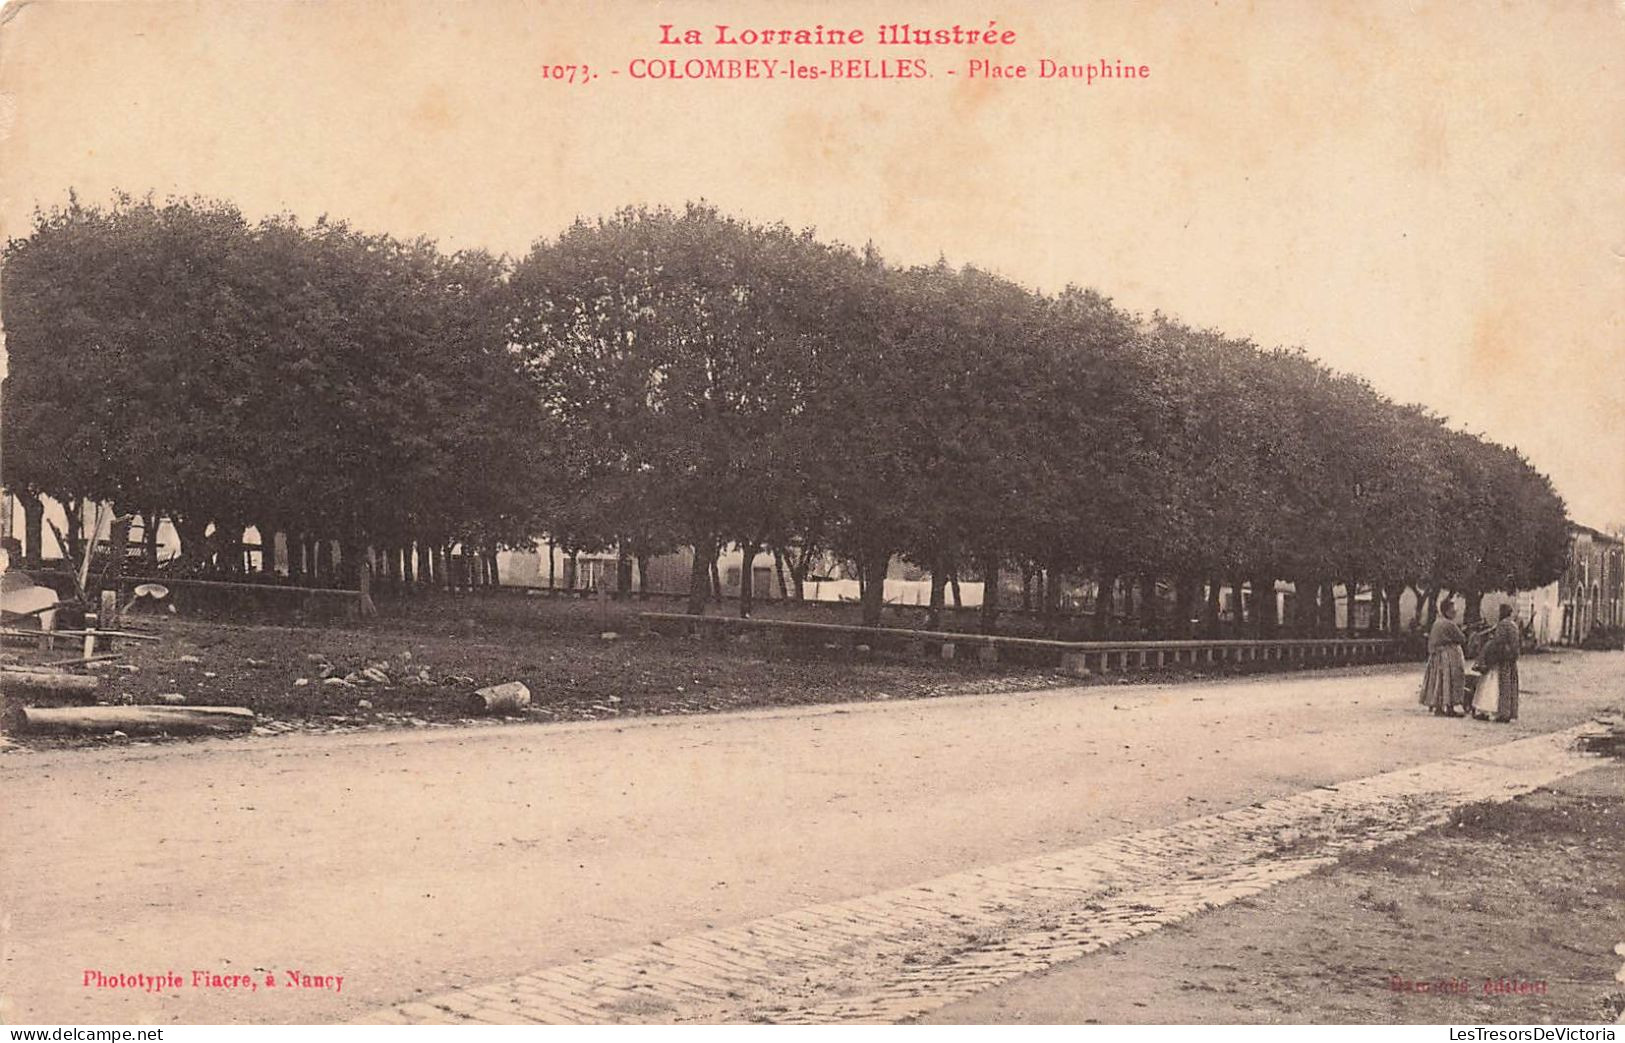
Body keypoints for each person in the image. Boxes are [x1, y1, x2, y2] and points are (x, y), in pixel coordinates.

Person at [1419, 600, 1467, 716]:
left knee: (1438, 681)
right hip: (1448, 655)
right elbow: (1462, 638)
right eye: (1453, 610)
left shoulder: (1437, 622)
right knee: (1450, 679)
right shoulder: (1449, 624)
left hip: (1436, 656)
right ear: (1447, 611)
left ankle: (1438, 707)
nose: (1455, 612)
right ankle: (1450, 707)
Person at [1479, 604, 1522, 723]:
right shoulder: (1514, 625)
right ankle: (1509, 712)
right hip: (1512, 658)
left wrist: (1490, 656)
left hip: (1503, 658)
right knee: (1511, 686)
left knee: (1502, 686)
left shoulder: (1503, 625)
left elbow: (1498, 642)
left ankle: (1503, 713)